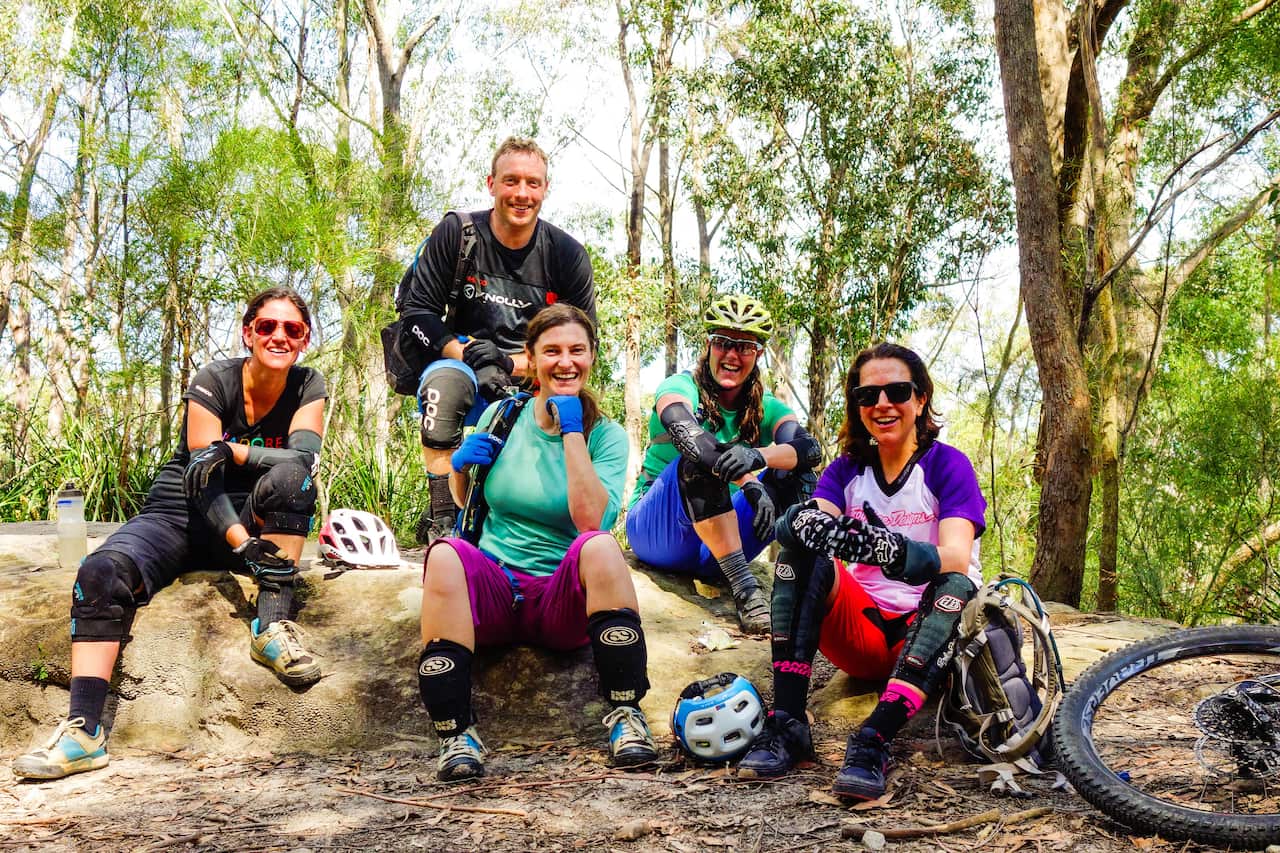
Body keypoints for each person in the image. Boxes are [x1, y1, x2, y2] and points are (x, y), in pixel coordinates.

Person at [12, 287, 327, 780]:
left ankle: (271, 627)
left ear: (305, 340)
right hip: (181, 513)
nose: (278, 336)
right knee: (100, 572)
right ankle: (83, 731)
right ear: (248, 333)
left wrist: (237, 452)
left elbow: (302, 459)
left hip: (258, 509)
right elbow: (201, 476)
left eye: (292, 329)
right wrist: (242, 544)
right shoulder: (214, 380)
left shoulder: (308, 384)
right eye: (266, 326)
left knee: (293, 481)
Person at [736, 342, 986, 801]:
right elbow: (813, 521)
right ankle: (788, 723)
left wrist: (894, 550)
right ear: (857, 405)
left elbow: (956, 553)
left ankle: (874, 739)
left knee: (957, 583)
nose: (883, 404)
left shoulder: (947, 464)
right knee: (799, 554)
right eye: (868, 396)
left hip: (932, 631)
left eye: (897, 391)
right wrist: (801, 522)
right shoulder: (847, 470)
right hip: (866, 631)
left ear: (921, 399)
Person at [416, 303, 656, 780]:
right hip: (498, 590)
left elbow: (592, 521)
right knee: (444, 554)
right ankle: (456, 734)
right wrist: (460, 466)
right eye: (552, 351)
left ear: (591, 358)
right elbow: (468, 501)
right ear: (531, 357)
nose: (565, 362)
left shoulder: (605, 436)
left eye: (577, 351)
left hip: (560, 601)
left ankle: (626, 715)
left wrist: (571, 431)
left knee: (602, 547)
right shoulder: (504, 417)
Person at [396, 137, 596, 543]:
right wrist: (470, 355)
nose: (522, 194)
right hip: (461, 362)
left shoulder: (567, 254)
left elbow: (585, 341)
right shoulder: (459, 232)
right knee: (444, 385)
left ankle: (537, 521)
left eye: (532, 183)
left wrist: (509, 364)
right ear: (492, 184)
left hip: (532, 372)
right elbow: (417, 313)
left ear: (545, 189)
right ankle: (444, 518)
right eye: (511, 181)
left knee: (570, 403)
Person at [625, 294, 821, 635]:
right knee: (698, 460)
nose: (732, 355)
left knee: (796, 475)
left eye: (744, 347)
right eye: (723, 343)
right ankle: (746, 590)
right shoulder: (681, 385)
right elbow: (690, 437)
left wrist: (759, 457)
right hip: (660, 533)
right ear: (709, 345)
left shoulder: (767, 406)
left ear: (758, 354)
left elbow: (808, 449)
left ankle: (801, 581)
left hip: (714, 548)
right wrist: (750, 482)